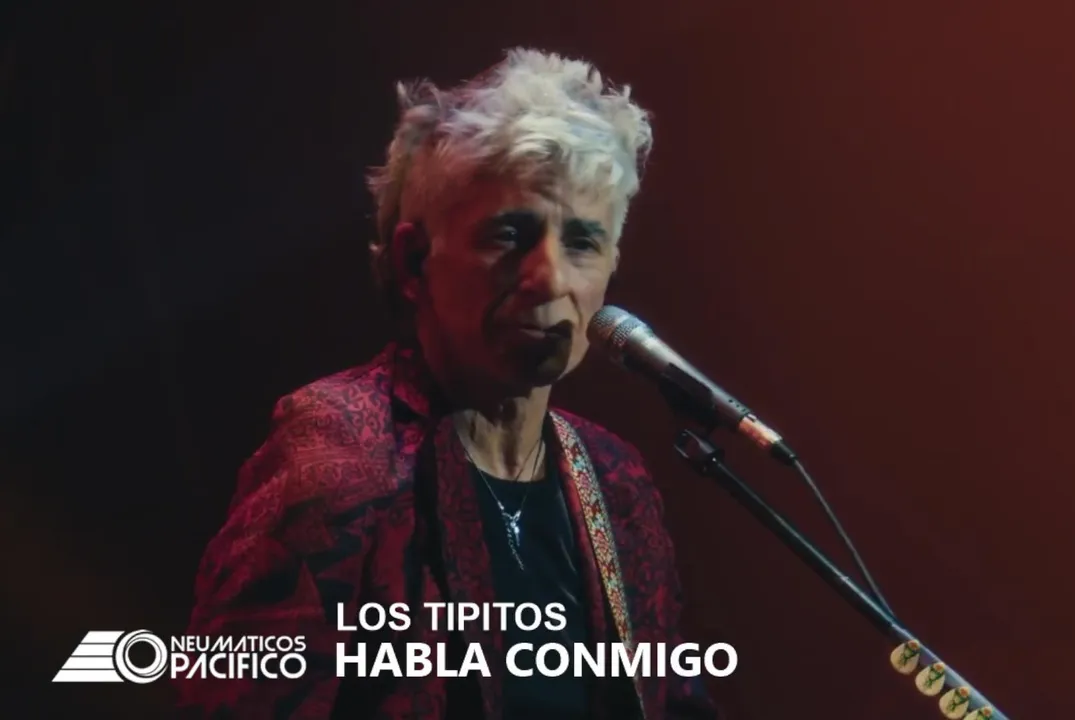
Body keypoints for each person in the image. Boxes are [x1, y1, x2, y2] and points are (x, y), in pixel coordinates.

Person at [178, 48, 719, 719]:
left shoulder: (616, 482)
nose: (549, 278)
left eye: (582, 242)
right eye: (510, 234)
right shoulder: (339, 453)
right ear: (414, 261)